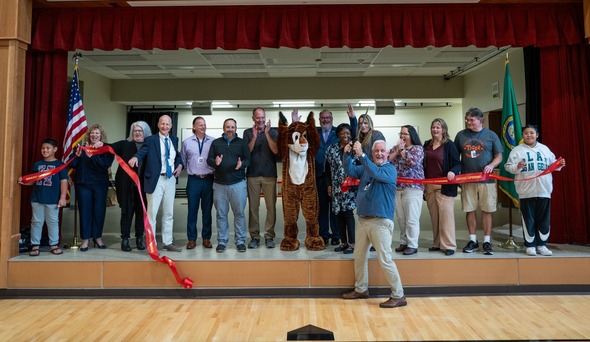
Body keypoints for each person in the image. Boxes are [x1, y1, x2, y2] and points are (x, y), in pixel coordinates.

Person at [341, 140, 407, 309]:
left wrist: (361, 155)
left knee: (385, 259)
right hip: (363, 220)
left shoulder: (389, 169)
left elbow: (376, 172)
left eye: (382, 151)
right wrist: (347, 154)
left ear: (387, 153)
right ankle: (361, 289)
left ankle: (399, 295)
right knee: (359, 257)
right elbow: (351, 170)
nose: (379, 153)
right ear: (373, 153)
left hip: (381, 222)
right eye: (376, 151)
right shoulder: (367, 168)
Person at [504, 124, 565, 256]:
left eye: (532, 133)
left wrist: (559, 164)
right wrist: (517, 166)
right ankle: (530, 245)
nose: (529, 135)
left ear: (537, 135)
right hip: (526, 191)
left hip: (544, 190)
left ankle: (542, 245)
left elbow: (553, 164)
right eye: (526, 133)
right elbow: (508, 167)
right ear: (523, 135)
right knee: (528, 219)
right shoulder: (517, 150)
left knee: (543, 219)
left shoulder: (544, 149)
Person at [128, 115, 183, 252]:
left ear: (171, 126)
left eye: (167, 124)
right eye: (162, 124)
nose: (165, 126)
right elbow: (142, 152)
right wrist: (136, 157)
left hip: (170, 179)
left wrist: (180, 164)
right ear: (158, 125)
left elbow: (177, 155)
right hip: (155, 179)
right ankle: (151, 244)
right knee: (152, 214)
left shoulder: (174, 139)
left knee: (169, 213)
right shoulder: (150, 140)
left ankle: (167, 242)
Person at [454, 107, 503, 255]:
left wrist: (491, 165)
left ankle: (487, 241)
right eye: (467, 120)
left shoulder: (491, 135)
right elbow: (456, 157)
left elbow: (498, 156)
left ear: (480, 120)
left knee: (487, 210)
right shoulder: (461, 135)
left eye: (471, 120)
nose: (468, 122)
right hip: (467, 179)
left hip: (486, 181)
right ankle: (473, 240)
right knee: (470, 210)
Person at [314, 105, 357, 246]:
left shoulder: (341, 135)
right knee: (323, 207)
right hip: (323, 178)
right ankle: (324, 235)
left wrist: (353, 118)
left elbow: (353, 133)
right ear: (319, 120)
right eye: (322, 118)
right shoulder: (315, 132)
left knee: (341, 212)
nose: (325, 120)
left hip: (347, 183)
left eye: (328, 118)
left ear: (332, 119)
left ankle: (337, 236)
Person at [207, 118, 251, 253]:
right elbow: (209, 159)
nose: (230, 129)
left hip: (238, 184)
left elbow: (248, 159)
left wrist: (241, 164)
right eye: (227, 127)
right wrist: (216, 162)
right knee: (221, 215)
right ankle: (222, 241)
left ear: (236, 129)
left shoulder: (242, 143)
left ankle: (240, 241)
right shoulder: (216, 143)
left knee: (239, 214)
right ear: (223, 128)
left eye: (232, 127)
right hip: (219, 185)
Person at [18, 138, 68, 256]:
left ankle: (54, 244)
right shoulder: (38, 164)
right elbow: (33, 180)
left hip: (52, 199)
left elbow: (64, 182)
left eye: (47, 148)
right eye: (43, 148)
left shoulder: (60, 165)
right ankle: (35, 245)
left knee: (53, 222)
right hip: (37, 198)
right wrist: (24, 181)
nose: (45, 150)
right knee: (36, 221)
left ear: (55, 149)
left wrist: (62, 197)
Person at [70, 124, 114, 251]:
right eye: (92, 133)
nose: (94, 135)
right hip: (83, 184)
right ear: (88, 136)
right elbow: (72, 164)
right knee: (85, 211)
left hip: (100, 184)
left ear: (101, 136)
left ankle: (97, 237)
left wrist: (91, 156)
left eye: (97, 133)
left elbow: (105, 165)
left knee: (99, 211)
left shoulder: (107, 149)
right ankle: (85, 239)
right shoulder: (81, 148)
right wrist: (77, 156)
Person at [110, 121, 152, 252]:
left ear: (145, 132)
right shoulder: (125, 144)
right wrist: (99, 144)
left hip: (144, 187)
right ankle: (125, 239)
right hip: (126, 185)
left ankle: (140, 238)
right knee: (126, 213)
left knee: (141, 213)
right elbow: (108, 147)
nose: (137, 133)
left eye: (140, 131)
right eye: (135, 131)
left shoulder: (150, 145)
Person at [423, 118, 461, 256]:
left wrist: (453, 171)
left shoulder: (449, 145)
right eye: (433, 127)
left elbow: (458, 163)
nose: (435, 130)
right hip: (429, 187)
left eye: (438, 127)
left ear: (444, 129)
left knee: (446, 218)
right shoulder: (427, 144)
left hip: (444, 186)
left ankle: (449, 245)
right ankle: (437, 243)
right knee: (435, 217)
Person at [243, 107, 279, 249]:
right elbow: (247, 151)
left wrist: (266, 134)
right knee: (253, 208)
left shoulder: (273, 131)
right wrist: (254, 137)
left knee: (271, 208)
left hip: (269, 175)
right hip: (252, 175)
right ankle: (255, 237)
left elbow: (276, 150)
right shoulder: (247, 132)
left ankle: (269, 237)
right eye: (257, 117)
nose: (260, 120)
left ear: (265, 117)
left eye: (262, 117)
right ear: (253, 118)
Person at [388, 125, 424, 255]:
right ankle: (404, 242)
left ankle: (413, 244)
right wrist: (397, 151)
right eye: (401, 133)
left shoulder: (418, 149)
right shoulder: (396, 148)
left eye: (405, 134)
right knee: (401, 218)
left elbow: (412, 162)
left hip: (413, 188)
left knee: (411, 219)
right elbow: (386, 160)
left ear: (411, 135)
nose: (402, 136)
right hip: (398, 188)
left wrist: (403, 150)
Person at [181, 116, 215, 250]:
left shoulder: (212, 141)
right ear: (194, 127)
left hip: (208, 179)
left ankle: (206, 238)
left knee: (207, 211)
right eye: (200, 125)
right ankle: (192, 239)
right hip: (193, 180)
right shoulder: (186, 142)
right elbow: (183, 161)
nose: (203, 126)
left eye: (204, 124)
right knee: (192, 210)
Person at [325, 123, 357, 254]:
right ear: (338, 135)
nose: (346, 135)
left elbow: (359, 167)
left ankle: (352, 244)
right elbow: (327, 168)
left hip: (349, 187)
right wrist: (329, 185)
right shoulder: (331, 149)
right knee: (338, 215)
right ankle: (342, 242)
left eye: (348, 133)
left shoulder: (354, 148)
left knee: (348, 215)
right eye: (343, 133)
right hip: (336, 188)